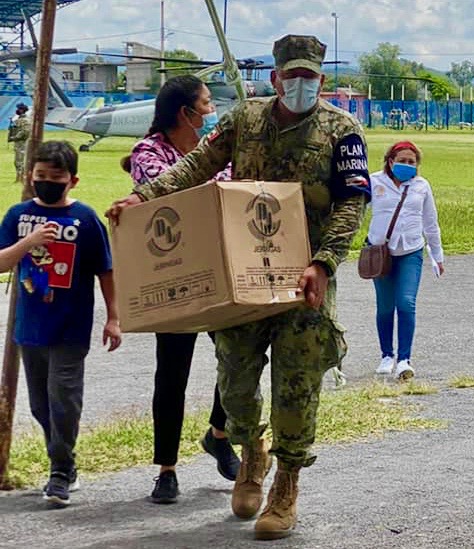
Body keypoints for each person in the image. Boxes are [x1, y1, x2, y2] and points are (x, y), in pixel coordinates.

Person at [107, 34, 370, 539]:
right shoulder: (243, 120)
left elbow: (351, 203)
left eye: (308, 76)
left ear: (321, 79)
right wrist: (144, 196)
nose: (299, 84)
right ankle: (252, 451)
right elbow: (195, 166)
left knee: (297, 382)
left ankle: (285, 484)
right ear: (274, 78)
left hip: (304, 278)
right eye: (290, 76)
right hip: (244, 275)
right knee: (236, 382)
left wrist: (324, 263)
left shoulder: (344, 131)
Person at [122, 75, 238, 505]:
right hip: (172, 273)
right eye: (207, 105)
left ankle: (219, 433)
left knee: (236, 356)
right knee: (172, 372)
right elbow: (182, 192)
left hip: (218, 271)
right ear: (184, 113)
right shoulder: (148, 153)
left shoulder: (217, 155)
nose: (212, 112)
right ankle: (166, 470)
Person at [0, 141, 122, 507]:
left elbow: (106, 270)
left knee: (64, 400)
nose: (47, 183)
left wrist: (113, 317)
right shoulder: (18, 216)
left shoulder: (84, 220)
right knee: (40, 405)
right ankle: (65, 461)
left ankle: (59, 470)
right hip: (30, 329)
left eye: (56, 177)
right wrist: (31, 241)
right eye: (41, 177)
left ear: (74, 180)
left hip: (71, 328)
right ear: (29, 177)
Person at [368, 141, 444, 381]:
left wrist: (437, 255)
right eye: (402, 160)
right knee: (385, 306)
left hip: (411, 250)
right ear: (390, 161)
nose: (407, 165)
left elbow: (431, 223)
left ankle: (404, 359)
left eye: (412, 162)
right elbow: (354, 209)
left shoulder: (421, 186)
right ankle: (386, 355)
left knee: (406, 302)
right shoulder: (374, 181)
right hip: (381, 252)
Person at [8, 102, 30, 183]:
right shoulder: (19, 120)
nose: (17, 110)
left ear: (22, 110)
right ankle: (19, 178)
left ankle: (21, 178)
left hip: (22, 143)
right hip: (19, 144)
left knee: (20, 161)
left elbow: (25, 131)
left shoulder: (25, 120)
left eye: (19, 109)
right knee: (18, 161)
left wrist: (15, 137)